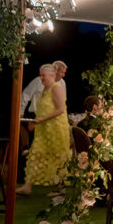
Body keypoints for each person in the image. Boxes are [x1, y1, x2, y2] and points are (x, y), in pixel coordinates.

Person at [16, 64, 70, 195]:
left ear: (52, 75)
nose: (40, 78)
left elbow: (61, 110)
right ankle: (27, 186)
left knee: (57, 156)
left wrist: (42, 119)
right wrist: (36, 122)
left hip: (55, 128)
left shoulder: (56, 88)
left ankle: (60, 188)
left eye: (43, 75)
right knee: (35, 154)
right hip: (43, 128)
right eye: (40, 75)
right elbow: (42, 108)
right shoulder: (44, 89)